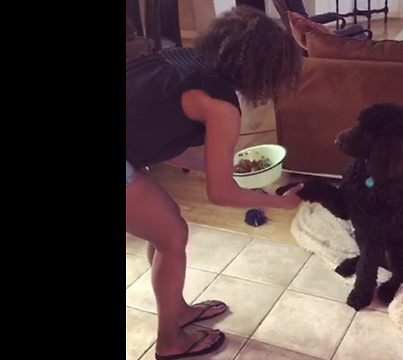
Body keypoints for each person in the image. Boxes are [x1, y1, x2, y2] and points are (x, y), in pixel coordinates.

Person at [126, 6, 303, 360]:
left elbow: (165, 143)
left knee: (166, 230)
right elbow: (220, 195)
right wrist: (279, 203)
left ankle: (178, 311)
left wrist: (214, 167)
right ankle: (169, 342)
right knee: (172, 234)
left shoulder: (184, 58)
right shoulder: (222, 105)